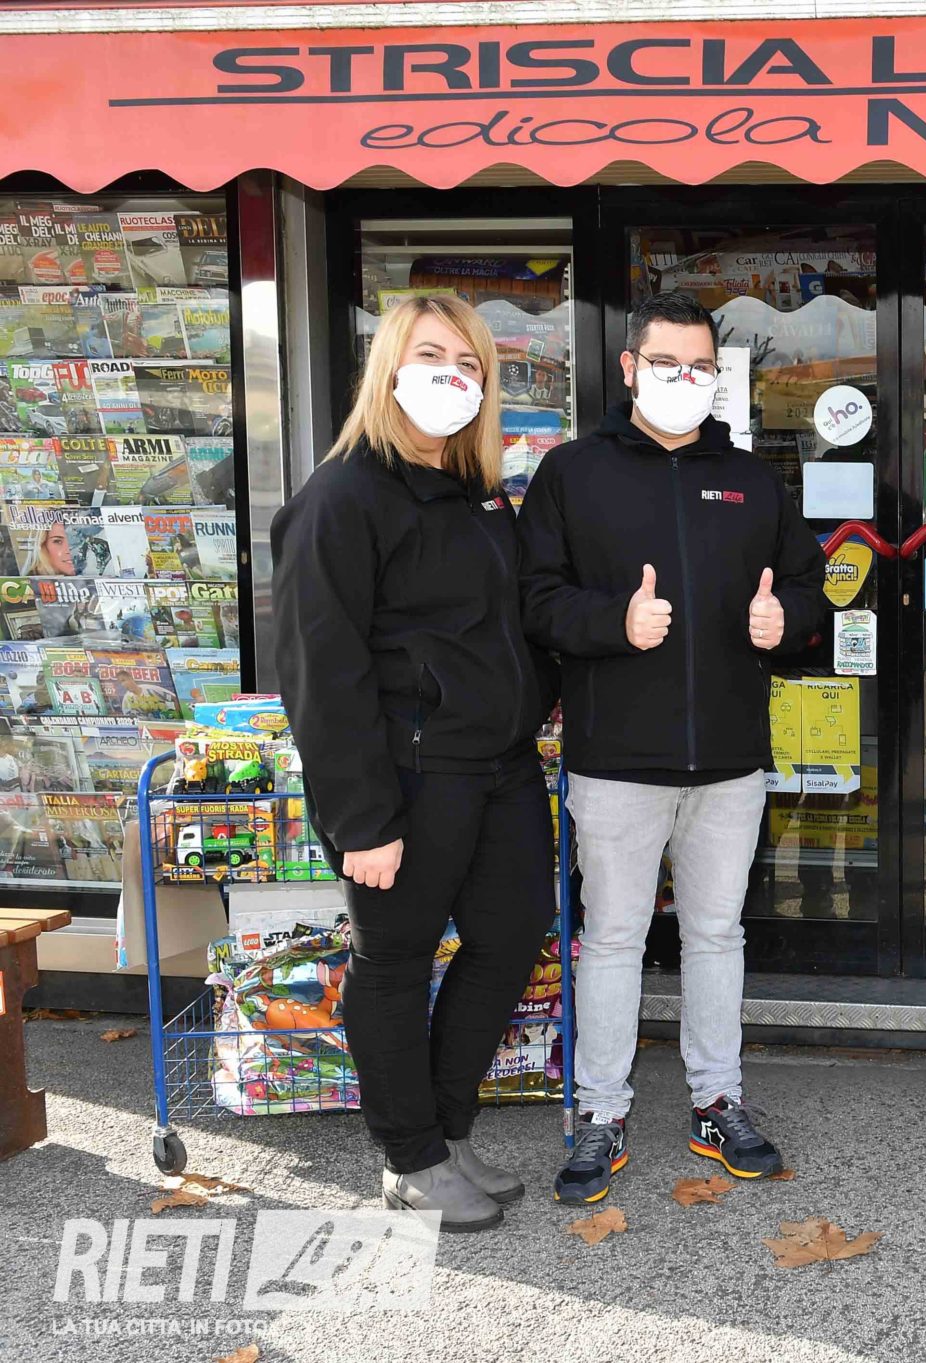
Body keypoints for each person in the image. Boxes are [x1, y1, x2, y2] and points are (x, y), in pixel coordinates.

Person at [520, 291, 828, 1203]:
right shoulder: (572, 473)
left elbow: (810, 587)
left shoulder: (753, 481)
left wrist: (787, 621)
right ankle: (600, 1112)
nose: (685, 379)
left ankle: (716, 1099)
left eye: (701, 366)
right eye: (667, 364)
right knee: (612, 938)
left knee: (717, 935)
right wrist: (613, 622)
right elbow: (534, 600)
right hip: (616, 761)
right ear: (629, 368)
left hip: (730, 759)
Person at [271, 294, 557, 1233]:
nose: (452, 376)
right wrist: (363, 819)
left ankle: (447, 1129)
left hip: (500, 766)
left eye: (469, 363)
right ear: (389, 367)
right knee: (393, 960)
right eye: (432, 355)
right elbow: (321, 671)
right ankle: (411, 1157)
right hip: (408, 775)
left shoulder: (479, 494)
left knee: (512, 935)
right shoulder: (341, 497)